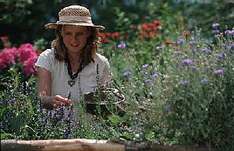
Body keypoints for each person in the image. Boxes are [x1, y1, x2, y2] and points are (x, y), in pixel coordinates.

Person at [35, 5, 112, 111]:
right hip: (54, 125)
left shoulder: (101, 63)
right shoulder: (47, 58)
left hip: (89, 127)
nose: (74, 40)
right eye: (68, 33)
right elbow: (42, 97)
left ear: (88, 33)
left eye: (79, 34)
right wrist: (51, 101)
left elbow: (107, 102)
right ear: (61, 33)